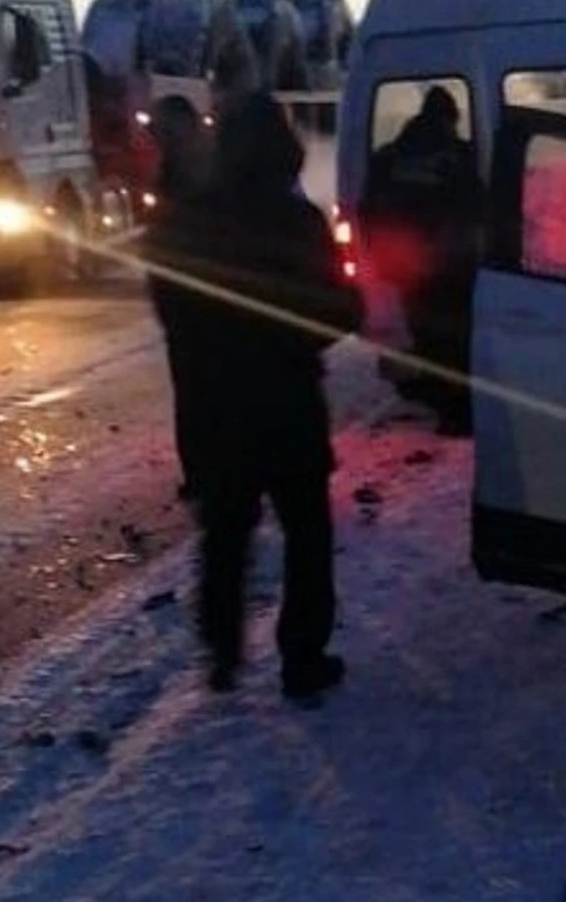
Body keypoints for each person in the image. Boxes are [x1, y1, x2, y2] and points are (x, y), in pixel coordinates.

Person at [146, 93, 362, 701]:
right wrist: (296, 335)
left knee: (226, 534)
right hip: (287, 401)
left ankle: (222, 652)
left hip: (214, 407)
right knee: (306, 535)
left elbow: (170, 309)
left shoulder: (183, 222)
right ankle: (303, 658)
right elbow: (337, 310)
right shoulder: (298, 222)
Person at [358, 87, 483, 435]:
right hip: (450, 268)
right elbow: (478, 207)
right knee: (458, 343)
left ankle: (442, 404)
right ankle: (458, 414)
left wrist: (377, 255)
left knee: (427, 336)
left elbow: (366, 210)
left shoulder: (389, 156)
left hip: (408, 269)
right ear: (449, 118)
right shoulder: (458, 157)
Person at [141, 95, 214, 502]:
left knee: (201, 396)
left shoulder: (201, 173)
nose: (160, 139)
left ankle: (210, 474)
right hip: (188, 310)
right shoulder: (182, 169)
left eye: (164, 131)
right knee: (194, 396)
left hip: (199, 309)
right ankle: (203, 474)